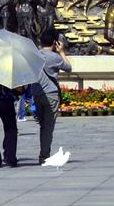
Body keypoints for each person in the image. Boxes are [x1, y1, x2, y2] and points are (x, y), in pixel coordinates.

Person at [35, 31, 72, 161]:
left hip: (37, 93)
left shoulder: (34, 55)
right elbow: (68, 68)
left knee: (42, 125)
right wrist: (61, 52)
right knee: (48, 126)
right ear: (54, 43)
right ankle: (44, 155)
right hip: (51, 94)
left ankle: (43, 152)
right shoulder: (54, 57)